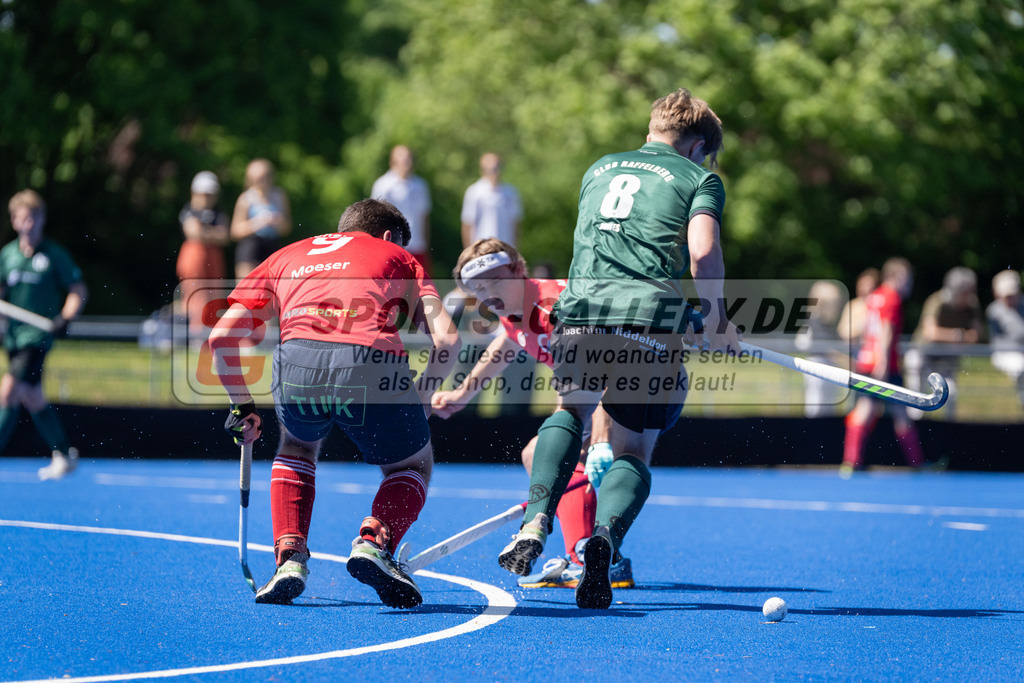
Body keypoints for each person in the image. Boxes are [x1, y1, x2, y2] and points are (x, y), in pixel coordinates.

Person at [495, 88, 741, 610]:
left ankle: (536, 515)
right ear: (698, 146)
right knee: (631, 448)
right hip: (648, 320)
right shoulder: (701, 179)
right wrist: (715, 317)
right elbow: (702, 251)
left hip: (580, 311)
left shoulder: (600, 167)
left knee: (572, 410)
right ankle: (602, 540)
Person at [209, 198, 460, 608]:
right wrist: (426, 393)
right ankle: (374, 542)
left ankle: (289, 558)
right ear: (387, 237)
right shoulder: (397, 255)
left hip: (295, 362)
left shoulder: (286, 254)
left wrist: (241, 406)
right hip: (369, 360)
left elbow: (220, 337)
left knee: (296, 447)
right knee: (412, 463)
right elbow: (447, 339)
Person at [430, 238, 634, 589]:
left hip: (629, 381)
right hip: (597, 385)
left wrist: (599, 437)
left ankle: (592, 555)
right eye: (477, 288)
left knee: (553, 451)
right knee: (542, 453)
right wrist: (463, 393)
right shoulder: (514, 308)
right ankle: (592, 555)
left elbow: (606, 371)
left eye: (493, 281)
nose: (486, 293)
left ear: (518, 270)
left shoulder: (554, 308)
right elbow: (507, 343)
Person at [0, 190, 87, 479]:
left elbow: (78, 290)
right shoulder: (8, 255)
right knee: (32, 396)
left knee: (9, 390)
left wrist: (65, 317)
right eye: (23, 217)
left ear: (42, 220)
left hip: (36, 339)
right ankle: (63, 453)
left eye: (34, 217)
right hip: (12, 339)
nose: (29, 223)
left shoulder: (53, 255)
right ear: (14, 221)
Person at [840, 257, 931, 478]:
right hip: (883, 365)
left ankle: (851, 462)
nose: (909, 285)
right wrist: (882, 361)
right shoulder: (892, 297)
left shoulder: (874, 297)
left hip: (867, 360)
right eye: (907, 280)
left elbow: (866, 329)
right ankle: (916, 463)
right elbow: (886, 330)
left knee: (873, 409)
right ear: (896, 277)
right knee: (895, 412)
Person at [906, 266, 984, 419]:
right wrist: (958, 335)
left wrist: (953, 338)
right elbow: (930, 332)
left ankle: (948, 427)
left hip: (947, 356)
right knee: (916, 387)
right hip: (924, 352)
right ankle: (914, 423)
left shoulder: (972, 305)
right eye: (967, 292)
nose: (971, 296)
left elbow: (976, 335)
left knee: (951, 393)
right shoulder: (937, 301)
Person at [176, 171, 230, 343]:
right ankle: (196, 336)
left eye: (211, 194)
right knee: (196, 295)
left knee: (215, 296)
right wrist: (212, 233)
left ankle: (210, 336)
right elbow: (194, 234)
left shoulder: (218, 212)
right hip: (194, 254)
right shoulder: (189, 211)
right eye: (204, 193)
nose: (208, 198)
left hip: (213, 256)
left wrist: (204, 232)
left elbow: (224, 236)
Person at [371, 145, 432, 274]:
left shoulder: (420, 185)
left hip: (417, 245)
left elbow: (424, 216)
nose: (408, 162)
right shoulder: (383, 185)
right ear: (393, 161)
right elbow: (376, 217)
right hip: (393, 245)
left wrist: (426, 244)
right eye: (404, 158)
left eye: (409, 158)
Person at [231, 159, 292, 279]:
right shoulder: (245, 199)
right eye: (258, 178)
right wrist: (257, 223)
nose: (263, 181)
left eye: (265, 177)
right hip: (250, 246)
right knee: (247, 287)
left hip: (272, 245)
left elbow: (287, 227)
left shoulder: (279, 196)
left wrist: (277, 222)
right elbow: (235, 231)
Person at [794, 280, 846, 417]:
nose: (837, 308)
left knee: (828, 408)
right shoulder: (815, 322)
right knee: (816, 407)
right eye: (834, 304)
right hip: (818, 370)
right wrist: (847, 362)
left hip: (829, 371)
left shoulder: (827, 325)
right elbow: (827, 349)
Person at [460, 152, 522, 249]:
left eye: (496, 167)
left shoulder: (510, 192)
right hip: (482, 249)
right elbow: (467, 224)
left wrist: (516, 250)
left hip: (505, 247)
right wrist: (468, 251)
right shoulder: (474, 192)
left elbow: (515, 224)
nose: (493, 171)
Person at [986, 269, 1024, 408]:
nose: (1010, 298)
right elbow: (998, 341)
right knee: (1021, 368)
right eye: (1007, 295)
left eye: (1013, 294)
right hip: (1006, 353)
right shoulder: (994, 311)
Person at [838, 267, 879, 344]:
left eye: (868, 285)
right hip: (853, 348)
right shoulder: (852, 305)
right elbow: (843, 332)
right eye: (862, 285)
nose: (865, 289)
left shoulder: (880, 305)